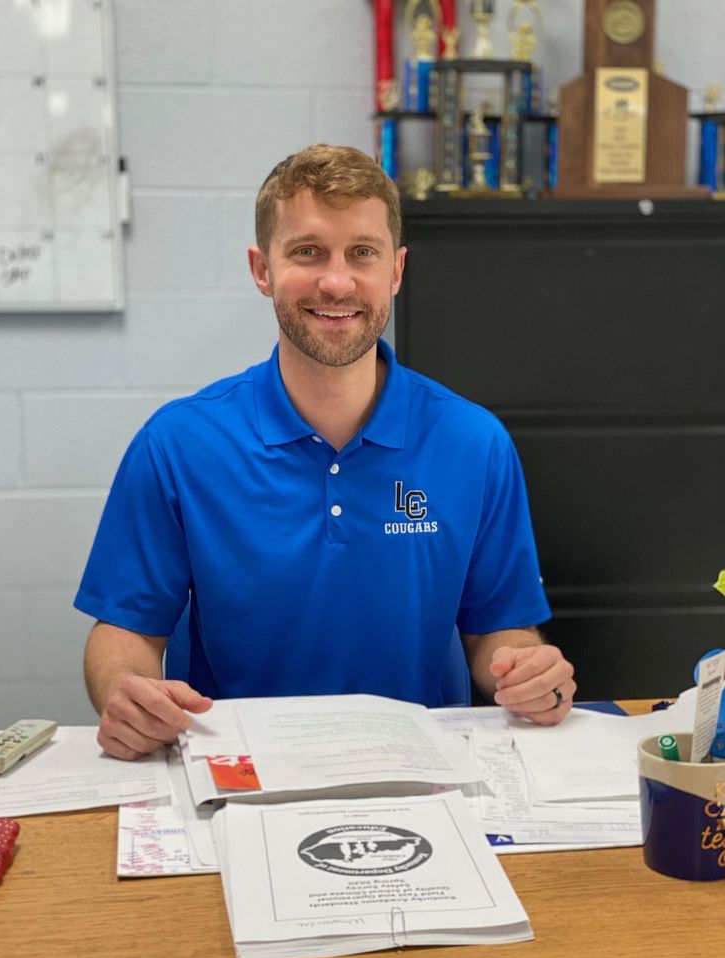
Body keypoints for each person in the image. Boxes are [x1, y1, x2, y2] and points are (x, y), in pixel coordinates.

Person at [75, 144, 576, 761]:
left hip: (422, 770)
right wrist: (128, 693)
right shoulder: (178, 443)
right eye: (307, 251)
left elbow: (498, 627)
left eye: (361, 253)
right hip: (236, 770)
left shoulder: (474, 443)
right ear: (262, 269)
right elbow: (125, 629)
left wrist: (527, 672)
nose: (336, 281)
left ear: (395, 270)